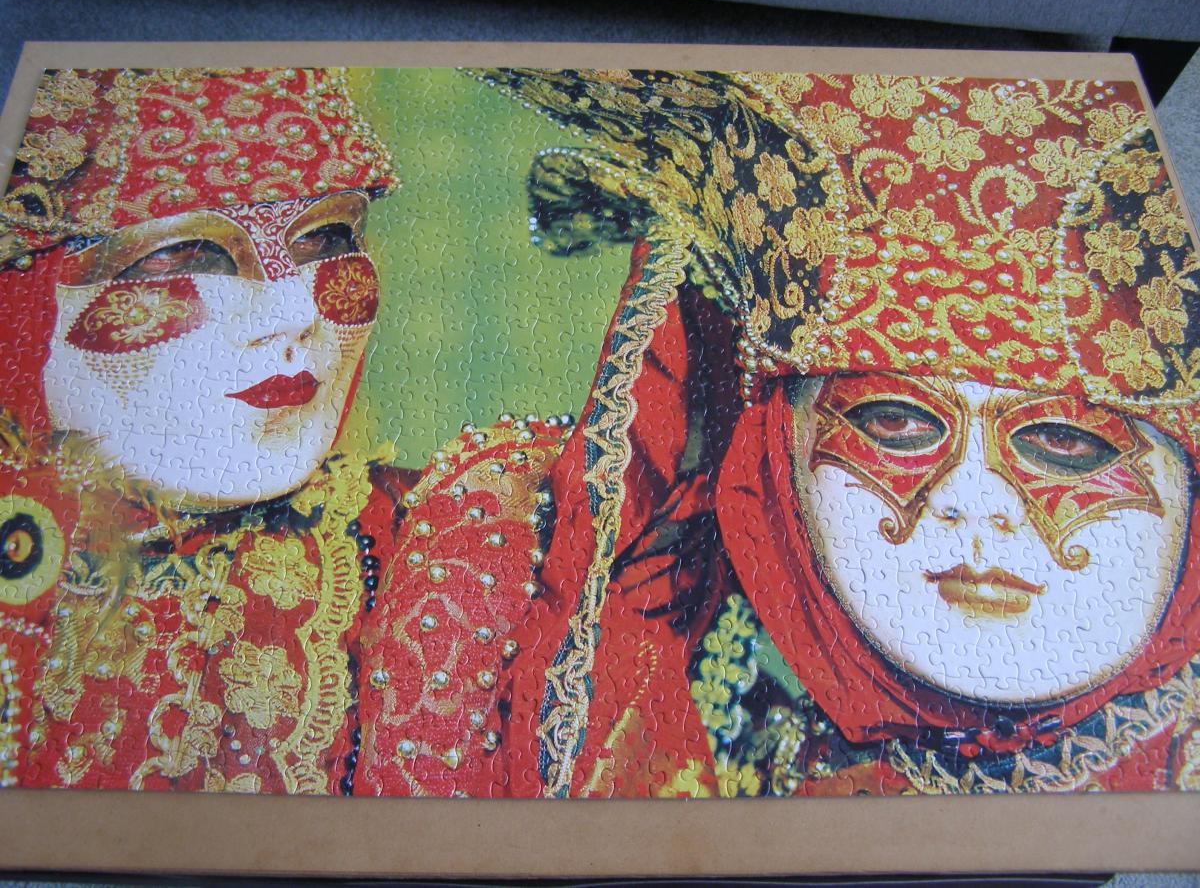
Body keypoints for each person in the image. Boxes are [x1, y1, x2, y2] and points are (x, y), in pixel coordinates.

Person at [465, 68, 1200, 796]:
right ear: (771, 471)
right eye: (896, 423)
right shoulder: (728, 758)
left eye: (1065, 443)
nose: (974, 502)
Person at [0, 67, 562, 795]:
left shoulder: (457, 558)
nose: (294, 312)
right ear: (27, 293)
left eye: (326, 239)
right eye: (188, 253)